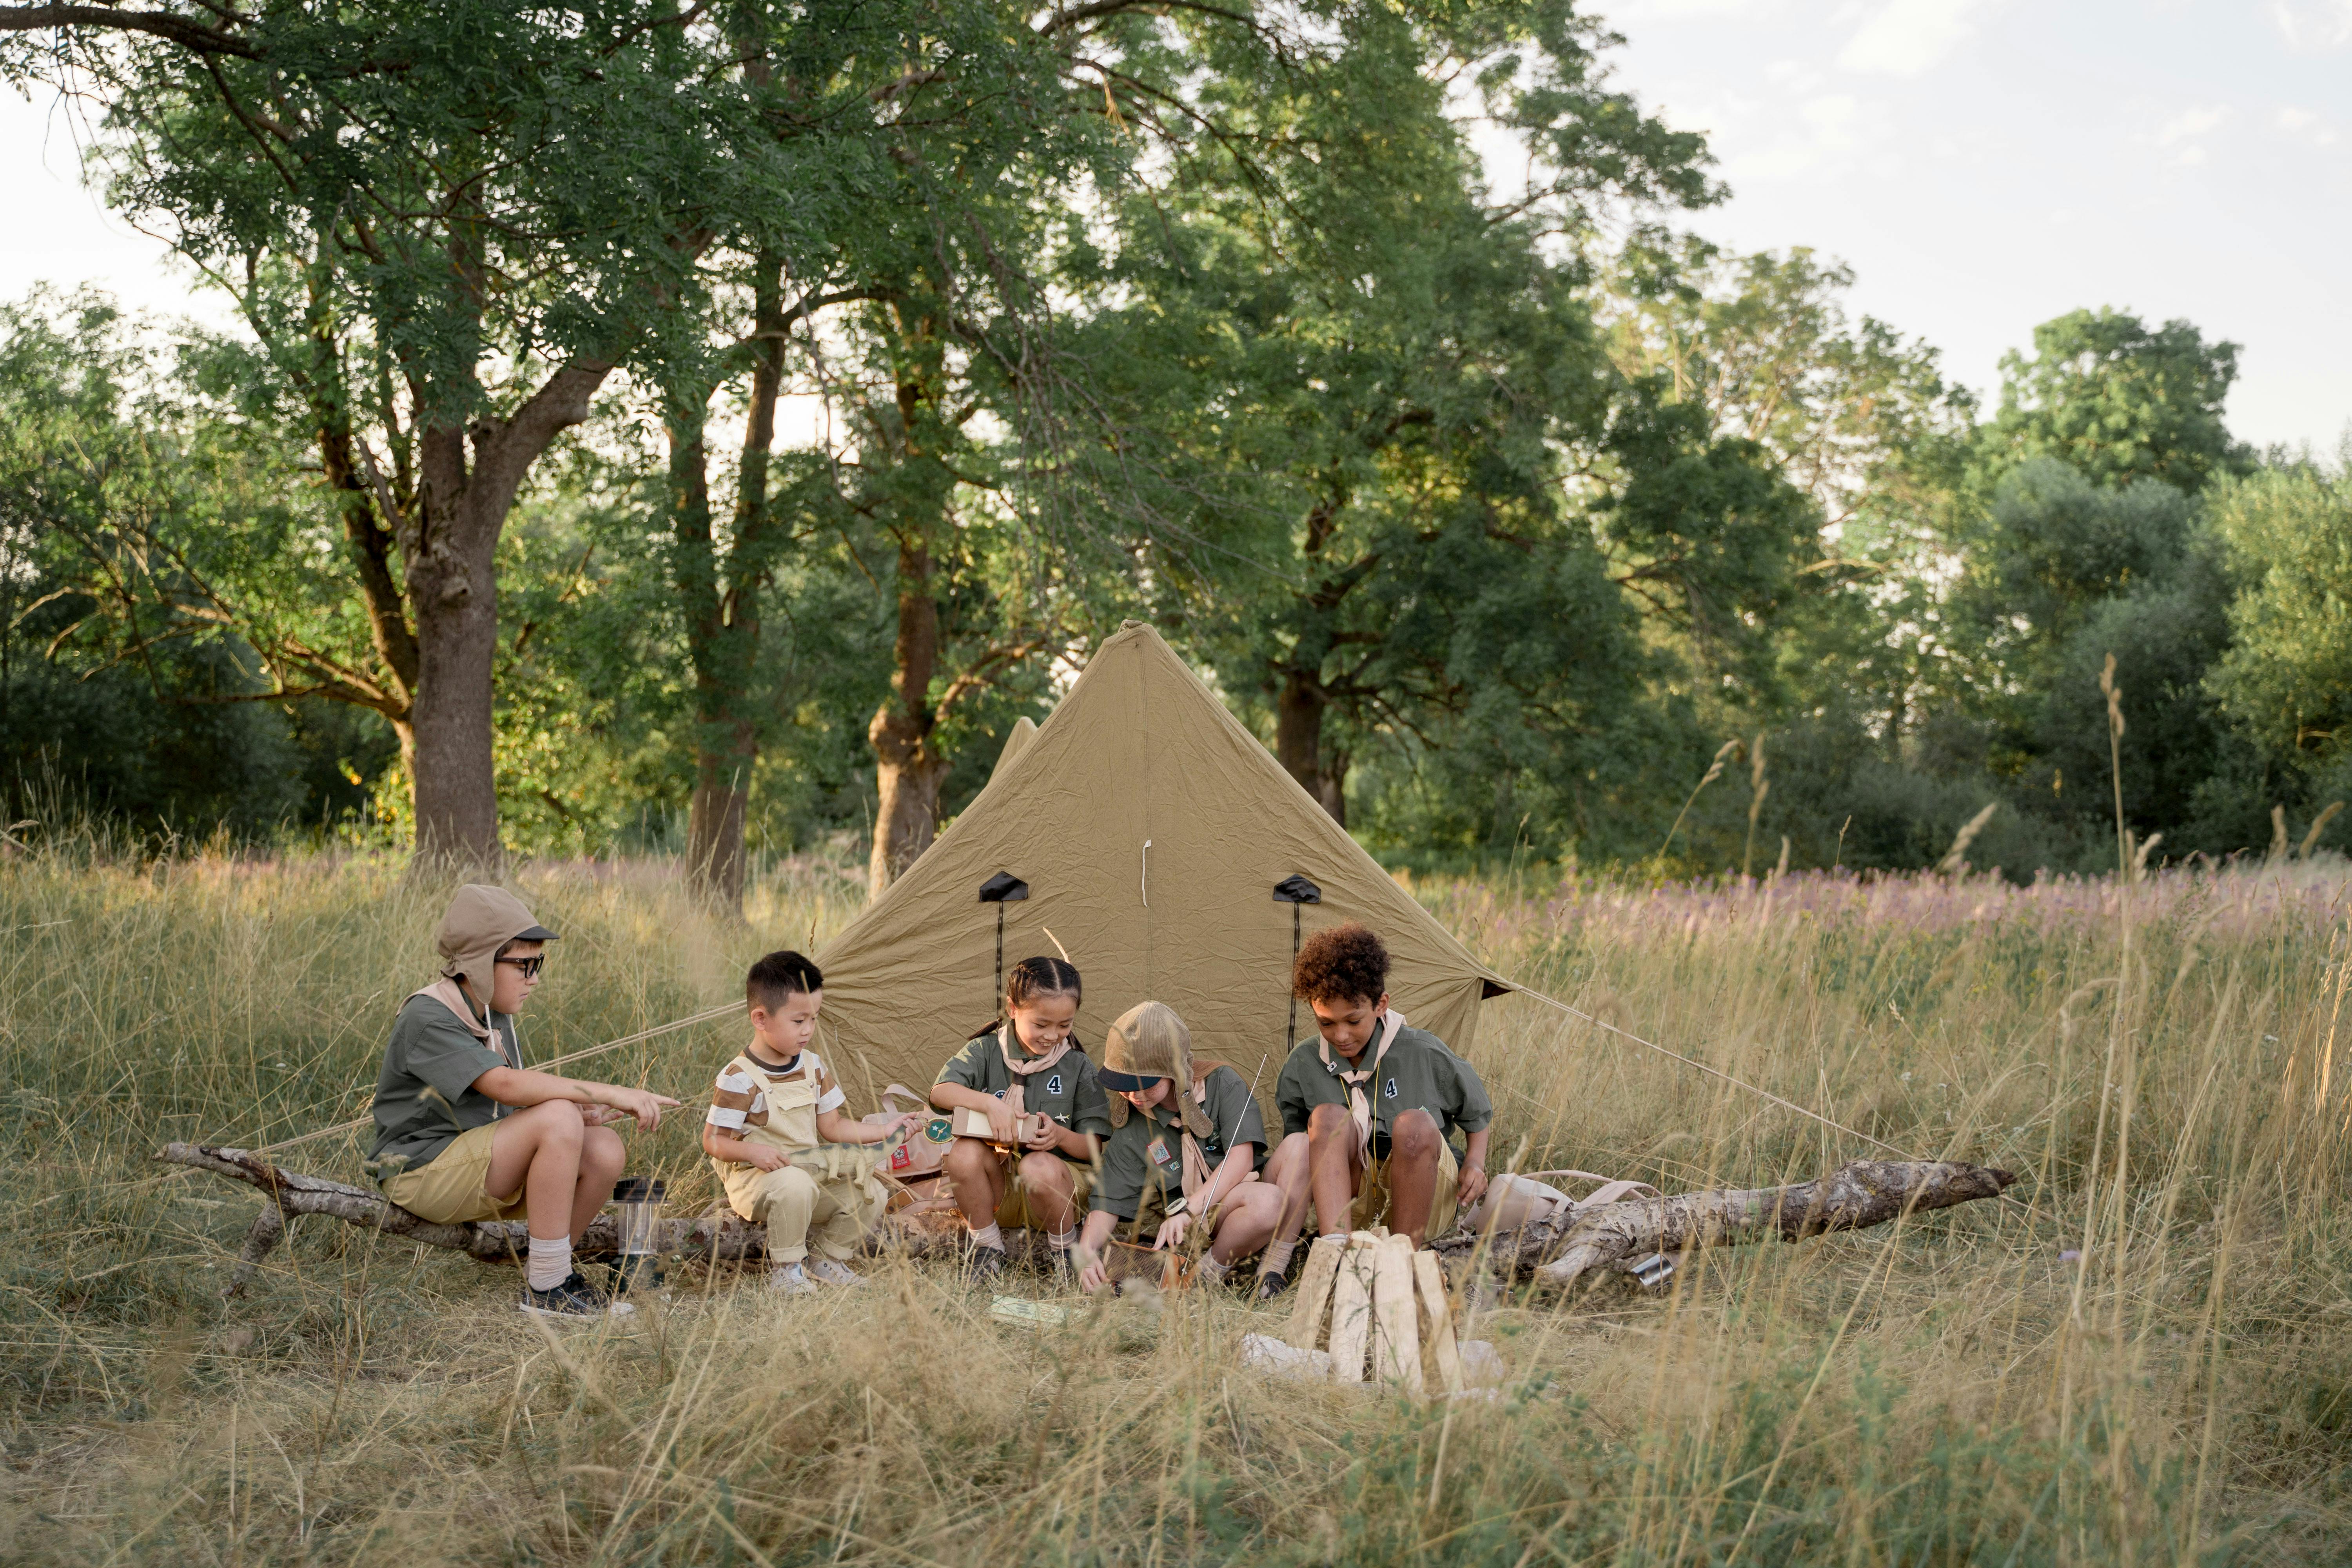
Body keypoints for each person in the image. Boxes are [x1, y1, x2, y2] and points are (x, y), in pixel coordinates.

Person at [366, 884, 680, 1319]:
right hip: (421, 1173)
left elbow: (502, 1108)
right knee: (557, 1116)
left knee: (606, 1147)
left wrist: (579, 1115)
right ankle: (548, 1291)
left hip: (474, 1165)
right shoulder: (428, 1015)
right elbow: (505, 1087)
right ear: (479, 962)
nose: (535, 978)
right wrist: (607, 1093)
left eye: (539, 964)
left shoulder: (492, 1014)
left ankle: (551, 1270)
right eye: (524, 965)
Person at [1254, 922, 1494, 1299]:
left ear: (1380, 1004)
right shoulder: (1303, 1064)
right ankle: (1338, 1256)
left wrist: (1476, 1165)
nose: (1342, 1036)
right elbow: (1300, 1146)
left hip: (1424, 1195)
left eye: (1353, 1020)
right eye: (1326, 1023)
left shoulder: (1423, 1052)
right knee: (1328, 1118)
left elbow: (1476, 1115)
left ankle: (1402, 1265)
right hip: (1352, 1200)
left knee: (1413, 1125)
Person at [703, 951, 921, 1294]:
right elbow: (713, 1142)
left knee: (871, 1191)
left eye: (815, 1019)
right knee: (794, 1184)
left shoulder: (813, 1066)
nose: (808, 1031)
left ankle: (827, 1260)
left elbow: (833, 1128)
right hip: (757, 1183)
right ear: (760, 1018)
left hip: (809, 1176)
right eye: (798, 1021)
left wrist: (885, 1130)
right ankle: (787, 1271)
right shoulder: (739, 1077)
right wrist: (754, 1152)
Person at [1074, 1000, 1284, 1294]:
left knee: (1269, 1201)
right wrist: (1086, 1252)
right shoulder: (1134, 1123)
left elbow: (1242, 1158)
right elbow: (1109, 1200)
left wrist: (1189, 1211)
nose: (1135, 1095)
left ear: (1173, 1071)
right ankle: (1187, 1282)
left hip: (1226, 1205)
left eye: (1147, 1084)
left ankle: (1207, 1276)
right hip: (1181, 1228)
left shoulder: (1222, 1084)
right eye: (1125, 1084)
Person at [930, 956, 1111, 1279]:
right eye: (1041, 1025)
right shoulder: (985, 1051)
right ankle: (986, 1247)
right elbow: (940, 1093)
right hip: (997, 1191)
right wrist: (989, 1104)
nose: (1053, 1036)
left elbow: (1095, 1149)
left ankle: (1065, 1252)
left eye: (1065, 1025)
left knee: (1037, 1165)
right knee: (964, 1153)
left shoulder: (1077, 1067)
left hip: (1059, 1191)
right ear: (1013, 1009)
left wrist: (1060, 1137)